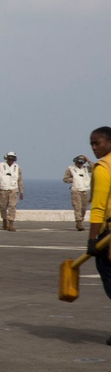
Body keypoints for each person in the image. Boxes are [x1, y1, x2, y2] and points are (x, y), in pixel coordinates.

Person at [85, 126, 111, 345]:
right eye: (92, 143)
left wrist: (92, 240)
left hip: (107, 236)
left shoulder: (102, 168)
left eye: (98, 143)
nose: (94, 147)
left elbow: (98, 208)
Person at [0, 151, 24, 232]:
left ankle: (11, 224)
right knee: (2, 207)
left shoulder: (17, 168)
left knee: (12, 206)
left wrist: (21, 191)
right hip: (3, 190)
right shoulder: (0, 166)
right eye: (9, 159)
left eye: (12, 159)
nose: (11, 161)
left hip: (13, 190)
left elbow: (20, 180)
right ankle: (4, 220)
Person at [65, 154, 92, 231]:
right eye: (79, 162)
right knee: (77, 207)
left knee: (83, 208)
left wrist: (88, 160)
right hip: (76, 191)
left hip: (85, 191)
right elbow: (65, 178)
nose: (80, 164)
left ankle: (81, 220)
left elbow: (95, 168)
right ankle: (79, 223)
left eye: (82, 162)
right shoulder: (71, 169)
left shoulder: (86, 168)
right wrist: (72, 180)